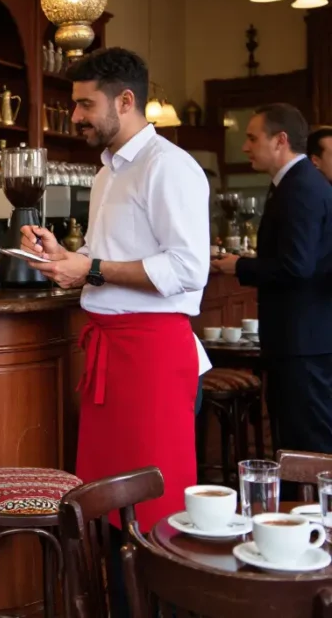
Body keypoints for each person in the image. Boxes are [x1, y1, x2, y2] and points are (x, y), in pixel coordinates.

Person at [19, 48, 211, 614]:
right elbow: (116, 262)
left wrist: (92, 269)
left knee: (154, 514)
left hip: (152, 358)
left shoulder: (170, 167)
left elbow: (186, 269)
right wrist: (70, 259)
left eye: (85, 104)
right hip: (110, 354)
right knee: (106, 509)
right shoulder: (108, 170)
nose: (74, 116)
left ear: (126, 101)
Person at [212, 104, 332, 454]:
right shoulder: (296, 184)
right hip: (303, 338)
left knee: (307, 447)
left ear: (280, 141)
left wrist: (240, 266)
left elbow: (296, 266)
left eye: (252, 138)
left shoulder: (300, 188)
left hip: (303, 342)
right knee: (300, 442)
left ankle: (310, 509)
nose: (245, 147)